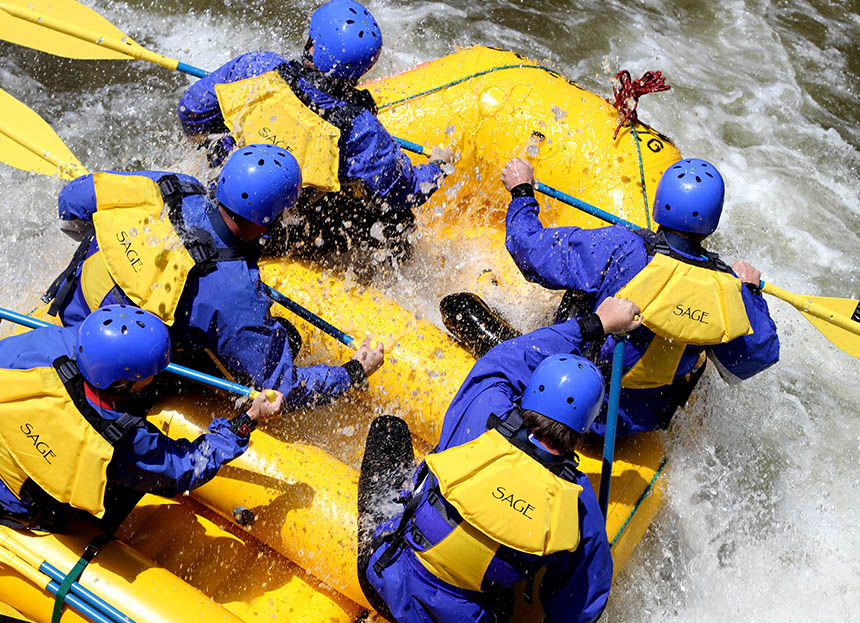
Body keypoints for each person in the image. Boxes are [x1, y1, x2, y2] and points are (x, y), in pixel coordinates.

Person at [356, 296, 642, 623]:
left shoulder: (483, 408)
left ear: (532, 390)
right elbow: (582, 599)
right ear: (586, 425)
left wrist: (595, 324)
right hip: (465, 617)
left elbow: (509, 358)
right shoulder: (577, 502)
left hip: (383, 583)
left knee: (389, 429)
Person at [43, 144, 384, 413]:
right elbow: (280, 388)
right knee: (288, 340)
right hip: (111, 372)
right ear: (272, 216)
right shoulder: (235, 296)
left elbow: (72, 203)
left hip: (71, 309)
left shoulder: (173, 188)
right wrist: (353, 372)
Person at [501, 156, 780, 436]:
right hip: (639, 423)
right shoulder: (727, 287)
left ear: (661, 202)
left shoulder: (622, 247)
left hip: (566, 407)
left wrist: (521, 192)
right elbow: (752, 359)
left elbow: (530, 251)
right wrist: (750, 293)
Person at [176, 0, 454, 268]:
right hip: (280, 232)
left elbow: (191, 112)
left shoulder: (258, 67)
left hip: (222, 192)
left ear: (312, 43)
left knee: (218, 128)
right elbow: (403, 192)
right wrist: (439, 167)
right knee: (397, 219)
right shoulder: (360, 129)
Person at [0, 305, 283, 532]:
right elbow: (186, 467)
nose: (156, 373)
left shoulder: (53, 342)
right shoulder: (122, 437)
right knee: (133, 482)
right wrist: (248, 420)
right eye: (150, 372)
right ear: (122, 383)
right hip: (23, 500)